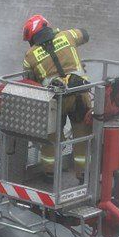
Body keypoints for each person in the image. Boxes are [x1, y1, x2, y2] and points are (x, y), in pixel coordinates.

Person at [22, 14, 92, 167]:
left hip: (55, 100)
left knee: (51, 138)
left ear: (32, 37)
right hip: (79, 93)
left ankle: (49, 172)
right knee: (82, 136)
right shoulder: (68, 35)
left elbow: (30, 81)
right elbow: (85, 34)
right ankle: (83, 174)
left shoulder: (30, 56)